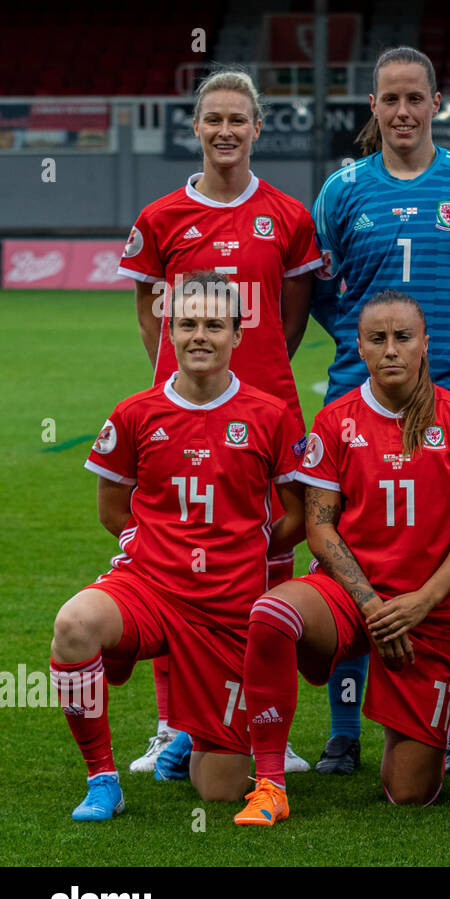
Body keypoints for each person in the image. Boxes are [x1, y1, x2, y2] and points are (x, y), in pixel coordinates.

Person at [310, 46, 450, 775]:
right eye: (389, 99)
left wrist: (447, 354)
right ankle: (343, 730)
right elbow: (322, 297)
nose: (402, 112)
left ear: (437, 102)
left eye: (415, 98)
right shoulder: (340, 192)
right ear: (373, 106)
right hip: (352, 400)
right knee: (346, 557)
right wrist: (367, 356)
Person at [116, 68, 321, 776]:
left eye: (239, 119)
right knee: (176, 567)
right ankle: (175, 728)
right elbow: (149, 308)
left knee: (268, 567)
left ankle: (270, 728)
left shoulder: (290, 216)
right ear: (197, 129)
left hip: (268, 414)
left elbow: (291, 317)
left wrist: (251, 374)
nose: (226, 131)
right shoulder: (160, 217)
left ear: (257, 128)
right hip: (181, 417)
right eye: (214, 120)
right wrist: (177, 372)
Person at [235, 290, 450, 825]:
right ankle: (269, 784)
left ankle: (405, 718)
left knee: (409, 794)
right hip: (351, 597)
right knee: (271, 614)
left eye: (403, 337)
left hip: (428, 612)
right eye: (377, 339)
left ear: (426, 343)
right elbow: (319, 526)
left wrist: (422, 601)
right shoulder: (335, 421)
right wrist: (372, 604)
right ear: (359, 347)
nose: (391, 349)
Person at [52, 273, 304, 820]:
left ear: (238, 334)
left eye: (214, 324)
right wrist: (154, 546)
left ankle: (189, 736)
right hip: (149, 588)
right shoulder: (134, 414)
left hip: (227, 609)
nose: (199, 335)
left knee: (218, 789)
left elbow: (297, 514)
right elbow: (112, 508)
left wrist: (247, 549)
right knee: (73, 625)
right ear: (168, 333)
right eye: (187, 323)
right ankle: (102, 780)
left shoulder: (269, 415)